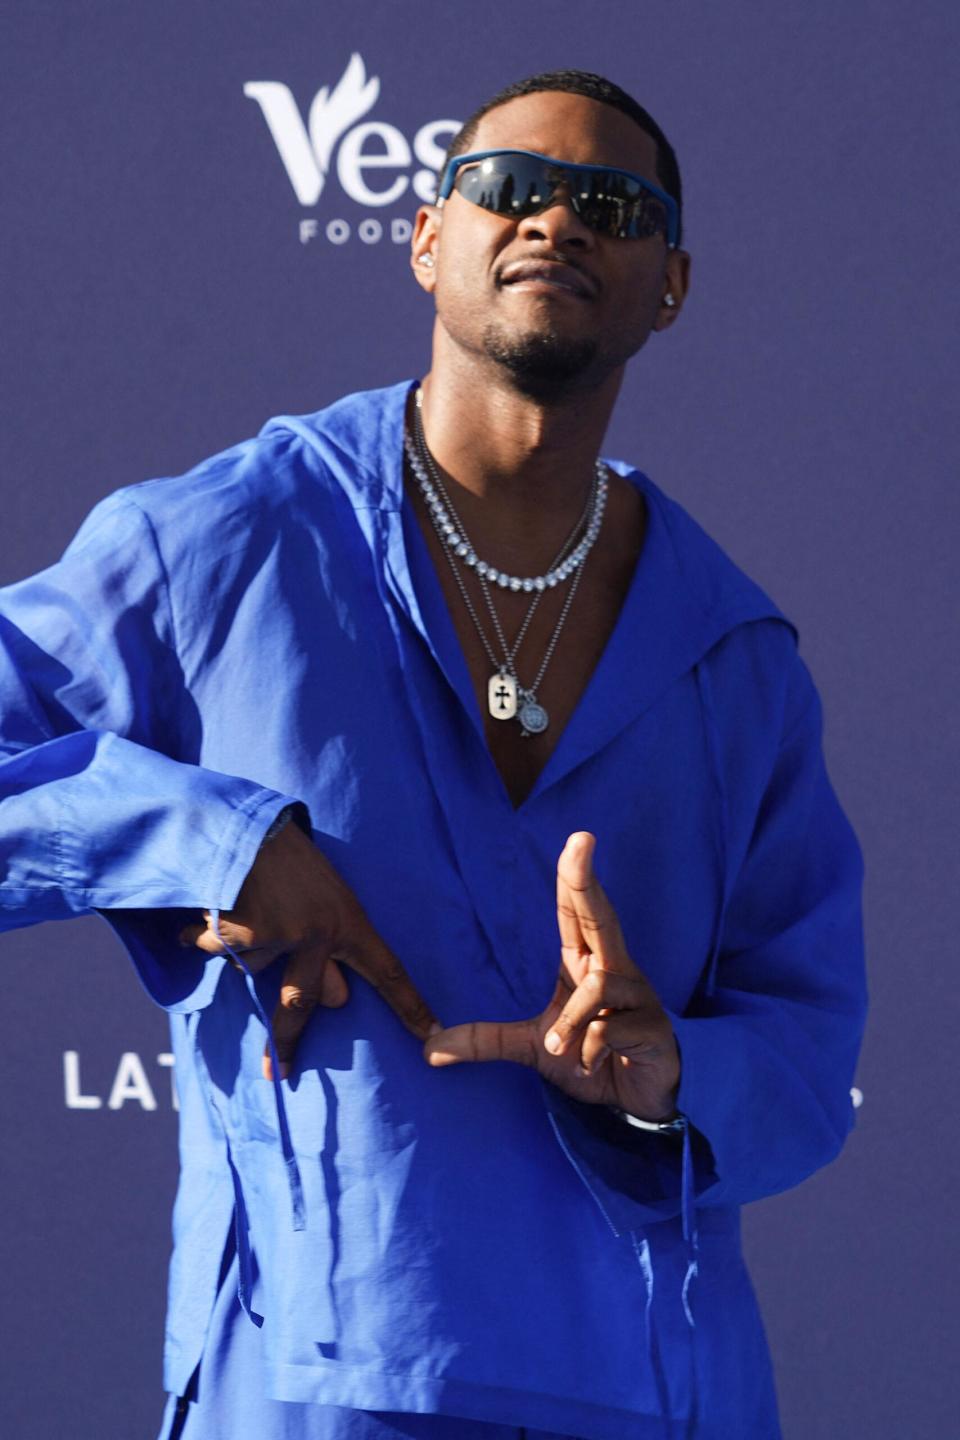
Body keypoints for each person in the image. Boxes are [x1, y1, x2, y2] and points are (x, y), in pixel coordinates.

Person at [0, 69, 866, 1440]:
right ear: (424, 238)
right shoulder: (225, 543)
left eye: (610, 205)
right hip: (312, 1382)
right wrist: (216, 840)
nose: (556, 223)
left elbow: (812, 1051)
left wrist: (667, 1077)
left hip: (658, 1393)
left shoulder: (734, 657)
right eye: (510, 189)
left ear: (670, 285)